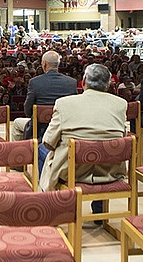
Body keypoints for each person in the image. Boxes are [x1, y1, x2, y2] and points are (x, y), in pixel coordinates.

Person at [39, 64, 127, 195]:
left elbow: (48, 142)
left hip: (72, 171)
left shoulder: (64, 103)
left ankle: (50, 200)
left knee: (41, 148)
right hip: (109, 171)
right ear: (108, 85)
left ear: (83, 81)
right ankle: (100, 211)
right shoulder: (121, 104)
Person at [10, 51, 77, 141]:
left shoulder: (35, 82)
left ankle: (23, 151)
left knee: (17, 123)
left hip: (40, 126)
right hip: (64, 125)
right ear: (58, 64)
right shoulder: (71, 82)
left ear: (44, 64)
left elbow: (27, 109)